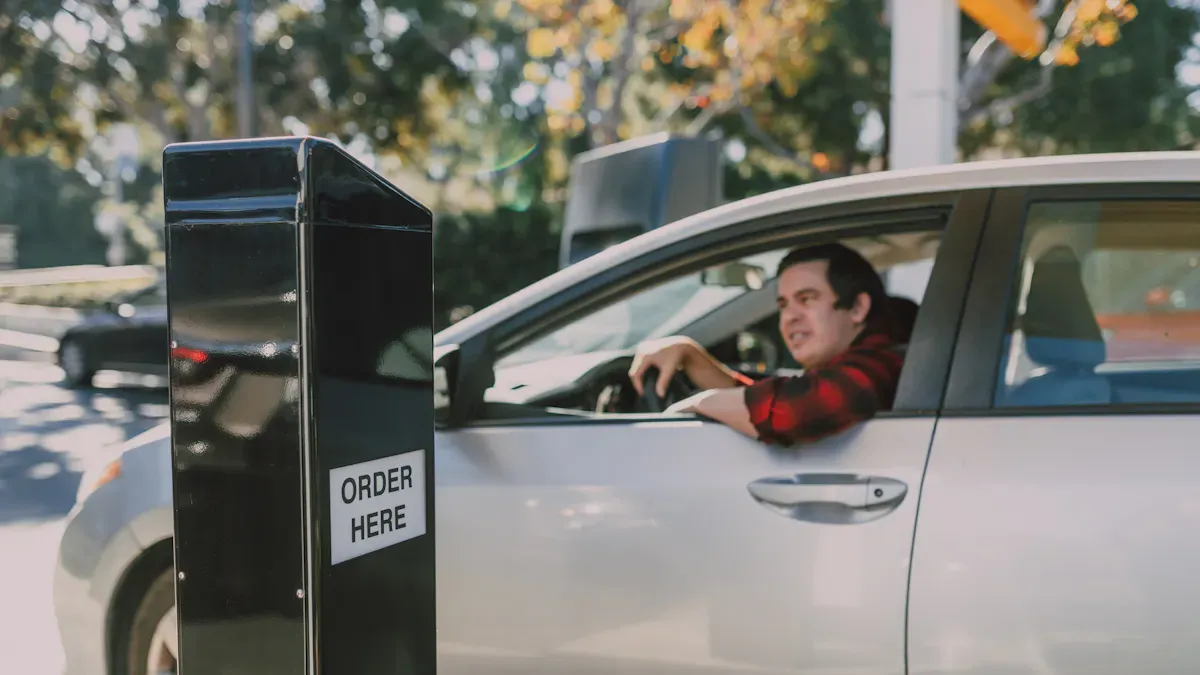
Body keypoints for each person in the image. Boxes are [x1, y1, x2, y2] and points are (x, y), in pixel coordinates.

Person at [628, 243, 906, 446]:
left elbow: (798, 410)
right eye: (784, 305)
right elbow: (773, 401)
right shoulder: (855, 362)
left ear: (858, 307)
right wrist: (692, 357)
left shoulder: (884, 363)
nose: (789, 318)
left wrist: (700, 404)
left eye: (807, 299)